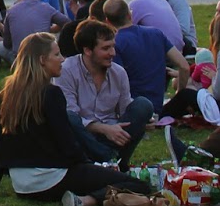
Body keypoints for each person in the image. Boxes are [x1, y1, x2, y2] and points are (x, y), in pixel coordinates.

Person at [0, 33, 155, 206]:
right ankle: (87, 201)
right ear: (42, 60)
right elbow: (67, 144)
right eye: (57, 55)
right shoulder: (51, 94)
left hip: (22, 186)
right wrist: (90, 167)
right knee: (137, 185)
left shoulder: (10, 93)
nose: (62, 60)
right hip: (53, 177)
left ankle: (90, 188)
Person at [56, 20, 154, 166]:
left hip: (113, 136)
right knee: (69, 118)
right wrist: (103, 129)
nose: (112, 53)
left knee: (143, 105)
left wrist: (142, 121)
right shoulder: (67, 71)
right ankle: (110, 159)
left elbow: (125, 110)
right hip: (83, 136)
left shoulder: (118, 73)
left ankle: (109, 161)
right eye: (106, 48)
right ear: (88, 50)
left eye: (113, 47)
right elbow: (71, 116)